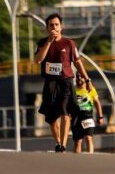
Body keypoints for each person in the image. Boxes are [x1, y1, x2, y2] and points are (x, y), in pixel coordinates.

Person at [34, 13, 89, 153]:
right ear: (47, 28)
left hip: (66, 81)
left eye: (56, 25)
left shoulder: (69, 43)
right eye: (51, 25)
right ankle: (58, 142)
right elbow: (38, 60)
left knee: (65, 113)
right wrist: (49, 42)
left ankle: (63, 145)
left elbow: (77, 62)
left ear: (61, 27)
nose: (54, 27)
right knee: (52, 118)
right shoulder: (42, 42)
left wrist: (87, 79)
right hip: (50, 82)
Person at [71, 76, 103, 154]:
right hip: (76, 117)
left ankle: (90, 156)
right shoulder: (73, 89)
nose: (79, 78)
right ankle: (77, 159)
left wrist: (100, 116)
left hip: (87, 116)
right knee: (78, 142)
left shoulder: (91, 89)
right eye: (77, 77)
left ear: (85, 78)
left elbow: (97, 102)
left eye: (81, 77)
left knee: (88, 138)